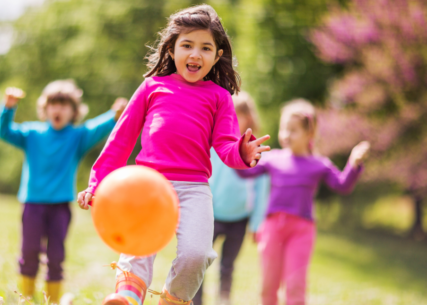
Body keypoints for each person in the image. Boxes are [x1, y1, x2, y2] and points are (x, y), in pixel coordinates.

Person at [77, 5, 270, 305]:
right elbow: (120, 140)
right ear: (172, 48)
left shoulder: (219, 97)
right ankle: (126, 297)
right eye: (187, 45)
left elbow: (226, 146)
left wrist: (242, 153)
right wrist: (97, 182)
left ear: (217, 55)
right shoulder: (152, 87)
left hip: (194, 189)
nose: (195, 54)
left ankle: (173, 300)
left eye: (206, 48)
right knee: (137, 246)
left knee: (197, 254)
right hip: (148, 185)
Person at [0, 80, 126, 304]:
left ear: (74, 111)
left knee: (56, 257)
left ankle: (52, 301)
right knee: (28, 253)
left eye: (64, 105)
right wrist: (8, 107)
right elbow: (4, 132)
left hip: (60, 207)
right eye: (54, 104)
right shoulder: (32, 133)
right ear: (45, 109)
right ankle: (26, 298)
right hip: (33, 204)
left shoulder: (77, 137)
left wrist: (116, 114)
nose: (58, 109)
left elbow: (100, 126)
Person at [237, 99, 370, 305]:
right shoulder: (273, 158)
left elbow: (342, 185)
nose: (286, 135)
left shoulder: (319, 165)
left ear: (310, 134)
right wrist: (239, 154)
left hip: (301, 231)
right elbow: (245, 174)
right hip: (272, 228)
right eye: (283, 129)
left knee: (295, 287)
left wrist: (353, 164)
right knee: (268, 285)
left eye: (293, 130)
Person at [193, 91, 270, 305]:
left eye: (239, 114)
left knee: (228, 266)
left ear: (249, 118)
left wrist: (256, 224)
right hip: (211, 214)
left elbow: (261, 190)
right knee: (199, 261)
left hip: (239, 218)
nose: (233, 119)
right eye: (229, 114)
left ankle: (223, 301)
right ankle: (195, 302)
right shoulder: (214, 145)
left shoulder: (255, 151)